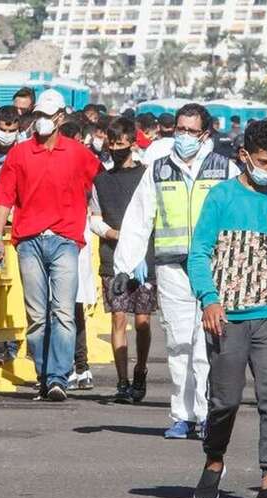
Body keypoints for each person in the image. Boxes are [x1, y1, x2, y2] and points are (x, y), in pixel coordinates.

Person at [189, 120, 267, 498]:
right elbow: (198, 253)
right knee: (225, 401)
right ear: (244, 156)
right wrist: (209, 299)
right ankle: (214, 461)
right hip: (227, 317)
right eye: (265, 161)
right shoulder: (220, 197)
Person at [112, 103, 240, 438]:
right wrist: (124, 267)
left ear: (205, 134)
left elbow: (238, 213)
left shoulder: (223, 169)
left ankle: (207, 414)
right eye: (180, 129)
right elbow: (138, 219)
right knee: (179, 343)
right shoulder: (158, 170)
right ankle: (183, 416)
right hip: (172, 268)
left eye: (191, 131)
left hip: (212, 267)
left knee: (206, 345)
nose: (183, 136)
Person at [0, 89, 101, 401]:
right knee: (37, 316)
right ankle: (44, 375)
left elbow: (100, 182)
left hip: (65, 239)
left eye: (47, 115)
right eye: (38, 115)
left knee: (64, 312)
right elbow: (4, 196)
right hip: (29, 241)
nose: (41, 121)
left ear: (60, 117)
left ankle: (58, 379)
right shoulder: (20, 153)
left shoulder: (78, 153)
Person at [90, 118, 156, 402]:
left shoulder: (147, 176)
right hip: (112, 259)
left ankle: (140, 369)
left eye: (120, 144)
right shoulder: (101, 180)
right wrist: (114, 234)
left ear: (132, 143)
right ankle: (122, 381)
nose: (115, 149)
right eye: (112, 144)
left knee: (142, 321)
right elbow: (94, 218)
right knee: (118, 318)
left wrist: (138, 243)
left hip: (143, 258)